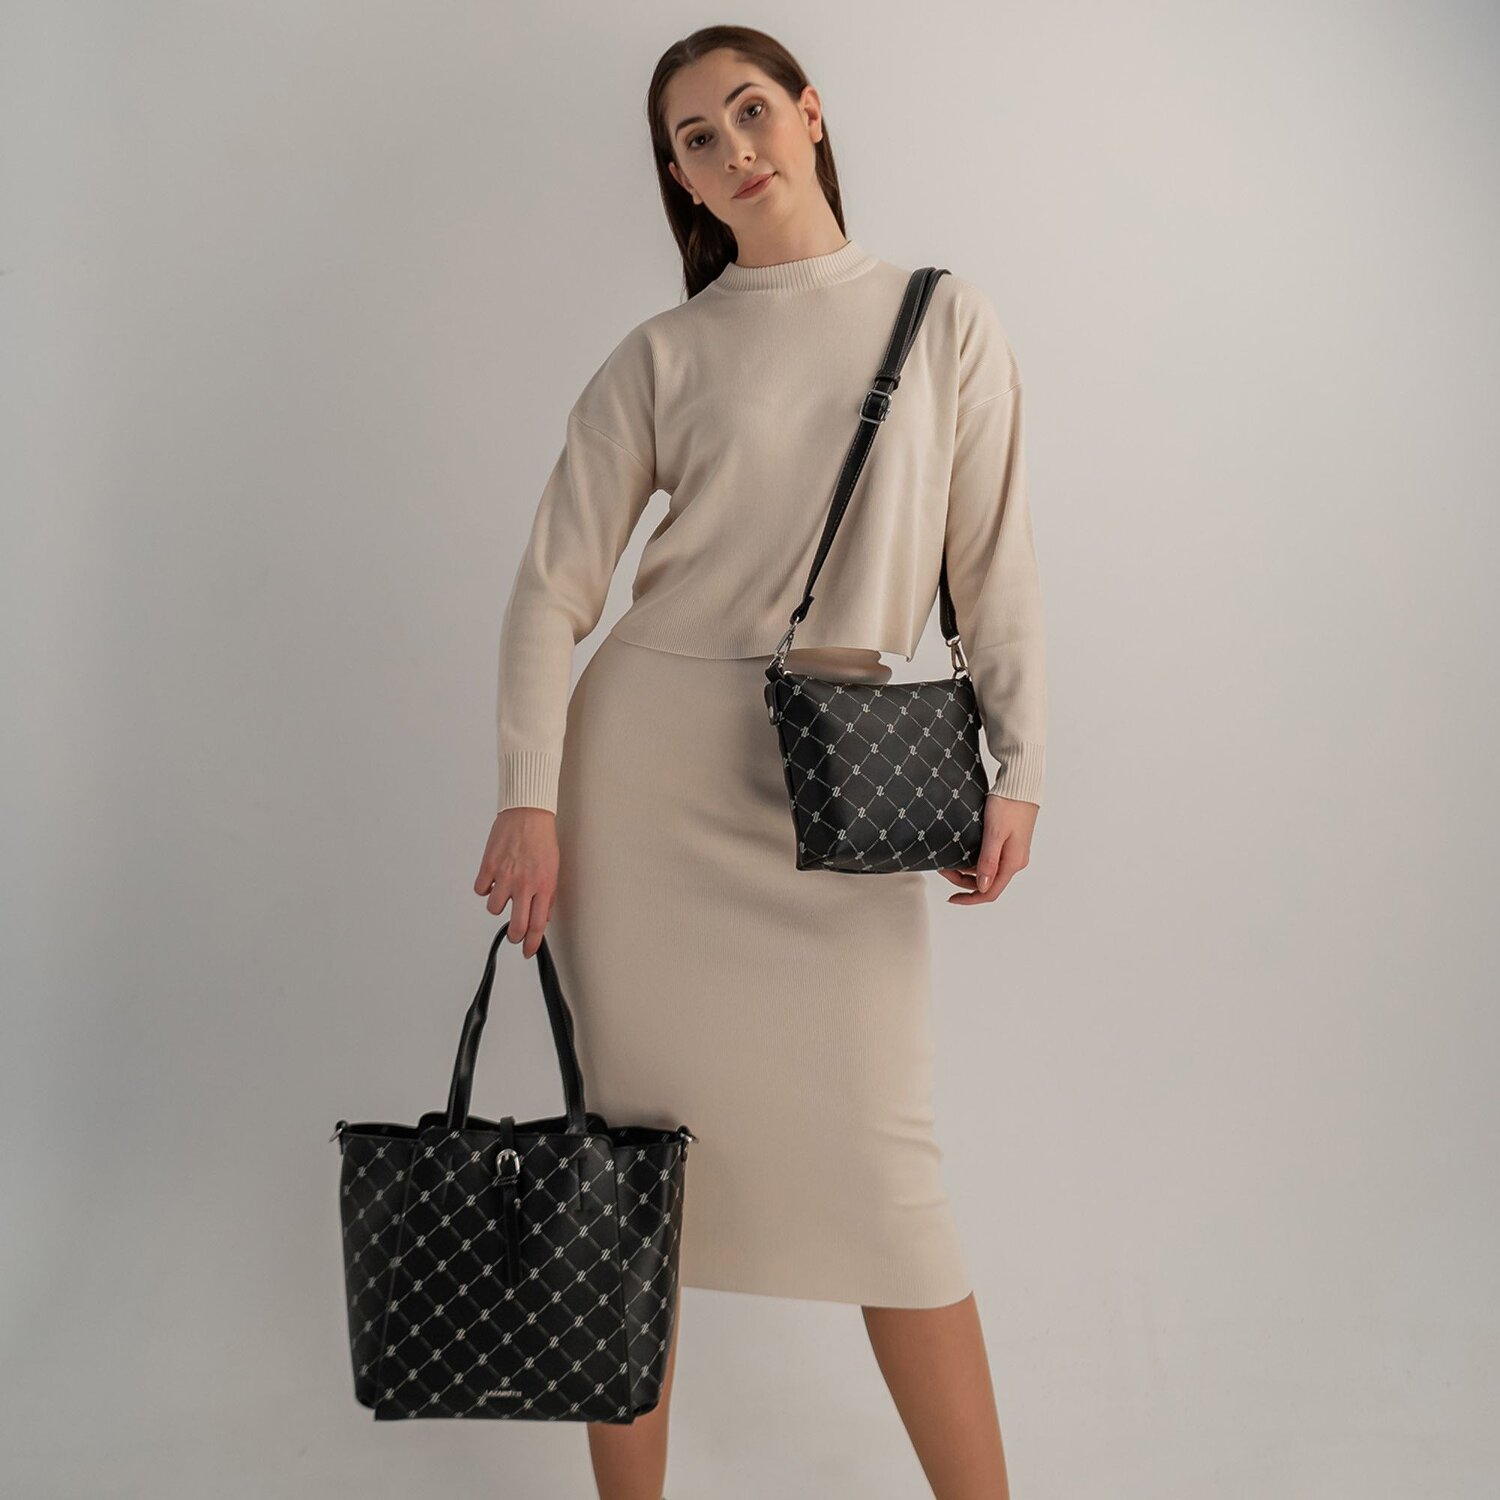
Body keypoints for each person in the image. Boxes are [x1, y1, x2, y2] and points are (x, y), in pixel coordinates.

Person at [473, 24, 1045, 1500]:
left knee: (891, 1188)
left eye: (749, 113)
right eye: (696, 138)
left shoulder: (942, 317)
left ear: (809, 113)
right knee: (630, 1187)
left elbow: (992, 559)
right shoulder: (664, 354)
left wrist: (1021, 761)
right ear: (679, 177)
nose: (734, 150)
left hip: (840, 791)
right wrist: (528, 795)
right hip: (648, 791)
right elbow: (550, 590)